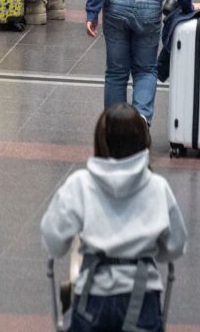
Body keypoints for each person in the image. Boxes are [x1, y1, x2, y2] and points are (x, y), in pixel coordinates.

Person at [40, 104, 188, 332]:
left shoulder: (80, 184)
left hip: (92, 296)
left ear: (100, 141)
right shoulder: (157, 187)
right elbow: (175, 246)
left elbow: (53, 243)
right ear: (143, 142)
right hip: (143, 295)